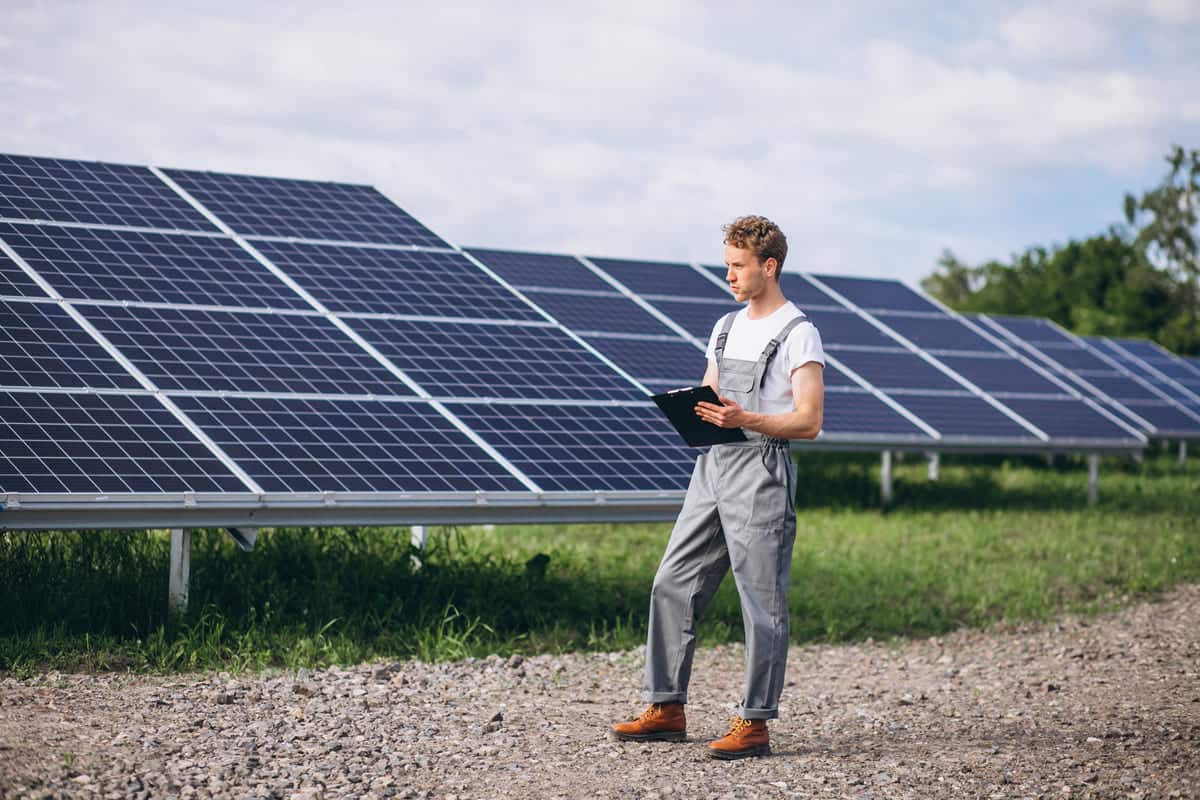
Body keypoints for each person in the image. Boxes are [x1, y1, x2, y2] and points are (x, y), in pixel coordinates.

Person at [611, 215, 825, 759]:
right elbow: (712, 397)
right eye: (726, 264)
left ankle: (754, 721)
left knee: (761, 599)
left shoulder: (799, 333)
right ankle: (666, 706)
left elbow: (809, 421)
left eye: (737, 265)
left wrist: (745, 420)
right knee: (672, 581)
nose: (728, 275)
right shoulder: (725, 325)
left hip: (762, 470)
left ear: (768, 266)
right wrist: (692, 410)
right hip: (712, 466)